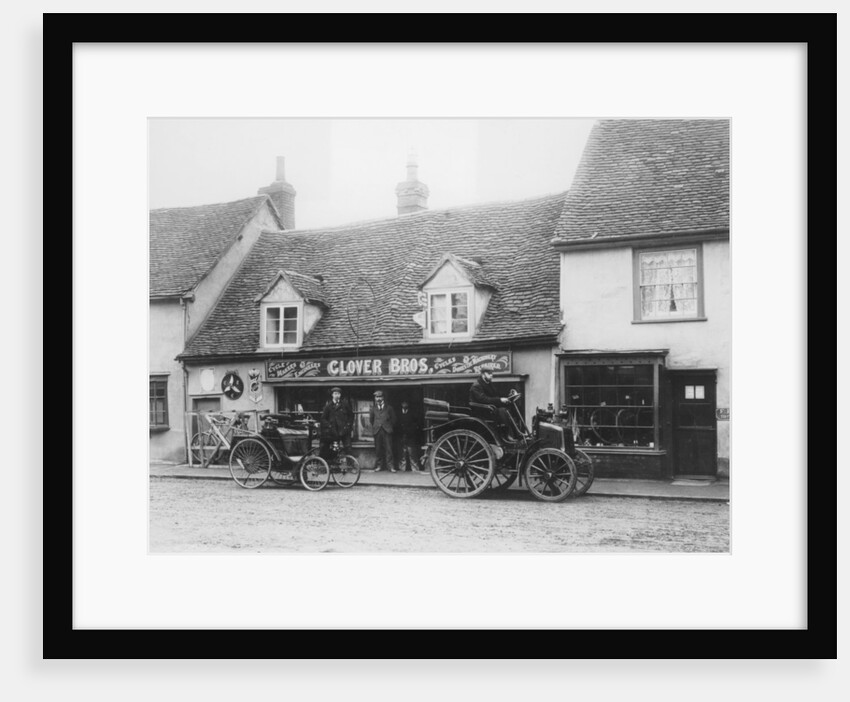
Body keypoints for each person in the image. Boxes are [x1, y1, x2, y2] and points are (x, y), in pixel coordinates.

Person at [469, 368, 521, 442]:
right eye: (489, 374)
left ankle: (517, 434)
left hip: (489, 409)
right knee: (502, 411)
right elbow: (484, 399)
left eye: (491, 374)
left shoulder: (489, 384)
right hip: (481, 411)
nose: (491, 375)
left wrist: (507, 396)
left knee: (509, 407)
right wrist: (500, 400)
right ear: (483, 374)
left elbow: (496, 395)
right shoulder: (476, 386)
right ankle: (506, 435)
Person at [320, 386, 353, 460]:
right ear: (332, 395)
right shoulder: (328, 406)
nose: (337, 395)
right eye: (335, 394)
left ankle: (351, 465)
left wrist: (348, 425)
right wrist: (329, 426)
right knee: (335, 449)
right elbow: (323, 419)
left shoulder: (345, 404)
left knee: (348, 448)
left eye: (338, 394)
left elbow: (351, 416)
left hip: (345, 431)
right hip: (334, 432)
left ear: (340, 395)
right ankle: (335, 466)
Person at [369, 390, 397, 472]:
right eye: (377, 397)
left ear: (383, 398)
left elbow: (394, 419)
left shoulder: (389, 408)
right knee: (378, 449)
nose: (378, 399)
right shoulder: (373, 409)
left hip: (387, 431)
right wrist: (377, 426)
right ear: (375, 398)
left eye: (380, 397)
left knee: (389, 449)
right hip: (377, 431)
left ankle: (390, 466)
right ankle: (379, 466)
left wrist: (388, 426)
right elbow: (371, 420)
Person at [396, 401, 421, 472]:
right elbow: (396, 424)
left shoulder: (413, 413)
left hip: (410, 436)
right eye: (403, 403)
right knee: (401, 454)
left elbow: (416, 424)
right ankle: (402, 469)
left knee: (412, 454)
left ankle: (415, 470)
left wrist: (410, 431)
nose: (405, 405)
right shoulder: (398, 413)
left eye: (406, 403)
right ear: (401, 404)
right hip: (401, 436)